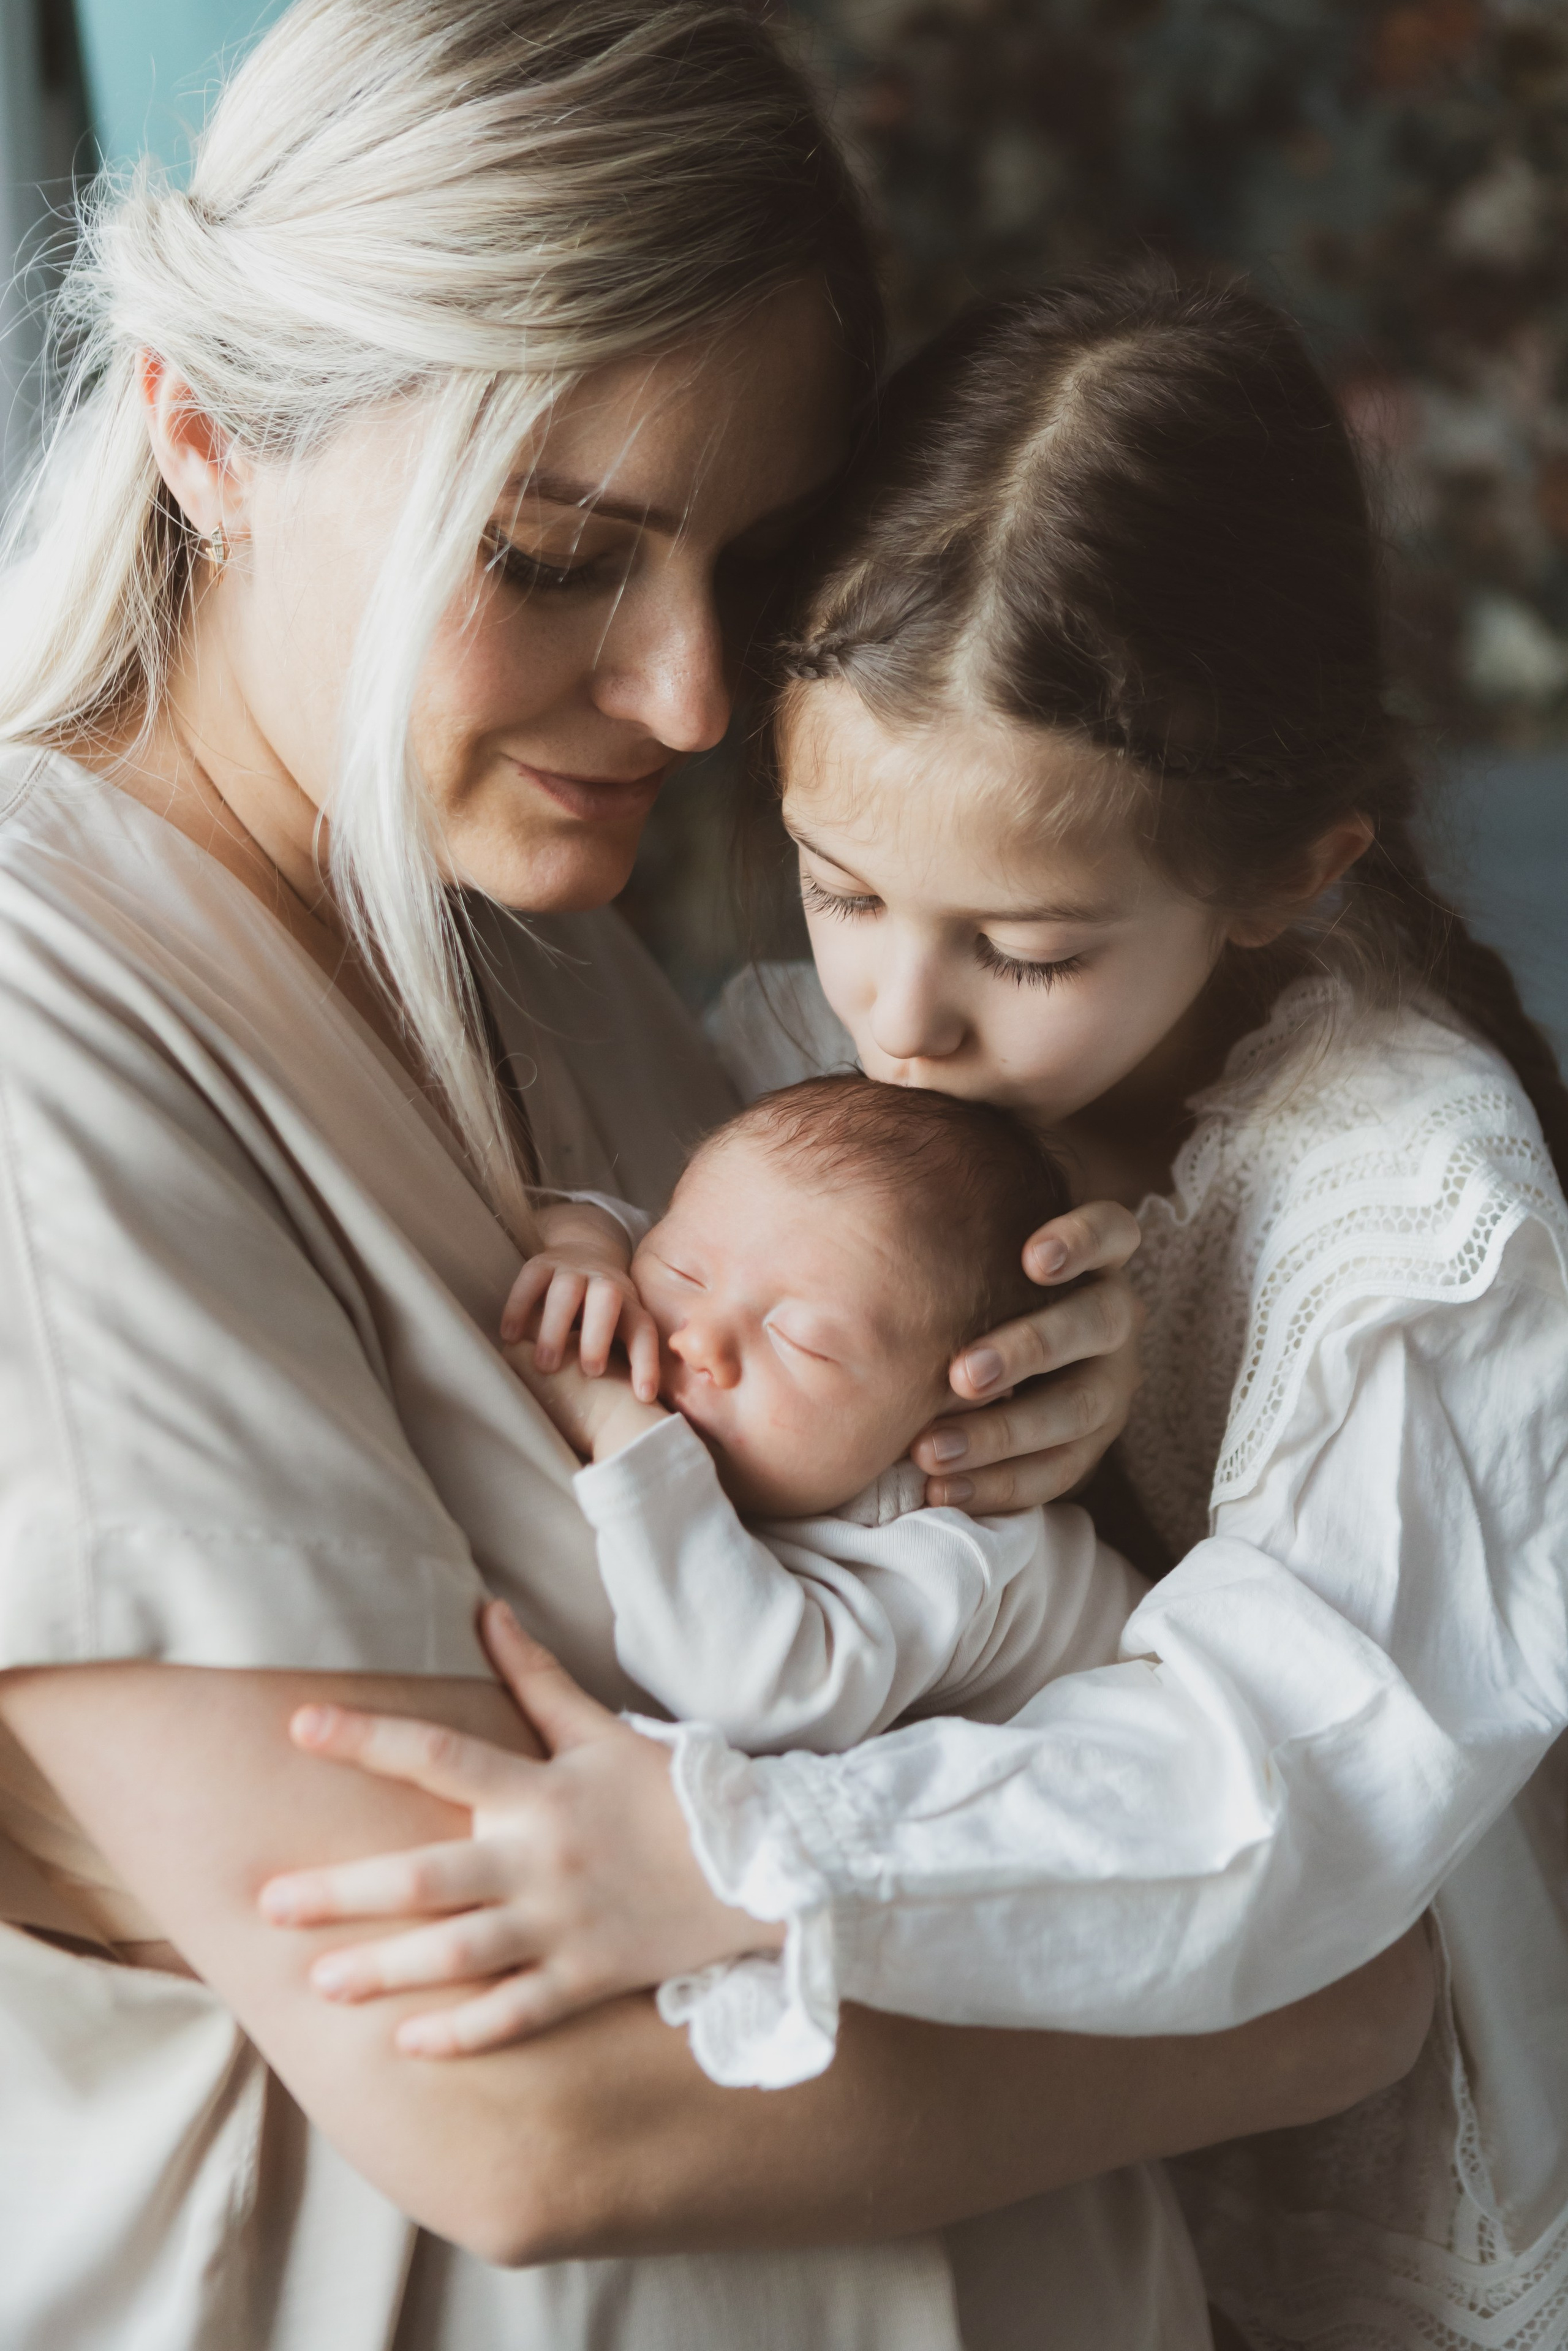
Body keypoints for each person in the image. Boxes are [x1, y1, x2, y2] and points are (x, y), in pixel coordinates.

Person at [0, 10, 1427, 2348]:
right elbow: (531, 2124)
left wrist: (1036, 1451)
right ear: (201, 438)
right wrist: (1317, 1994)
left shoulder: (530, 954)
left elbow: (901, 1702)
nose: (684, 701)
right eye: (559, 556)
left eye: (751, 569)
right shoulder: (48, 1024)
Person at [267, 275, 1568, 2350]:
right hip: (1038, 2163)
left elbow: (1293, 1779)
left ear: (1289, 872)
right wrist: (630, 1264)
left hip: (1361, 2182)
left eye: (1029, 949)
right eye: (841, 884)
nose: (900, 1012)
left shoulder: (1411, 1206)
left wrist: (757, 1856)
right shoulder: (811, 1051)